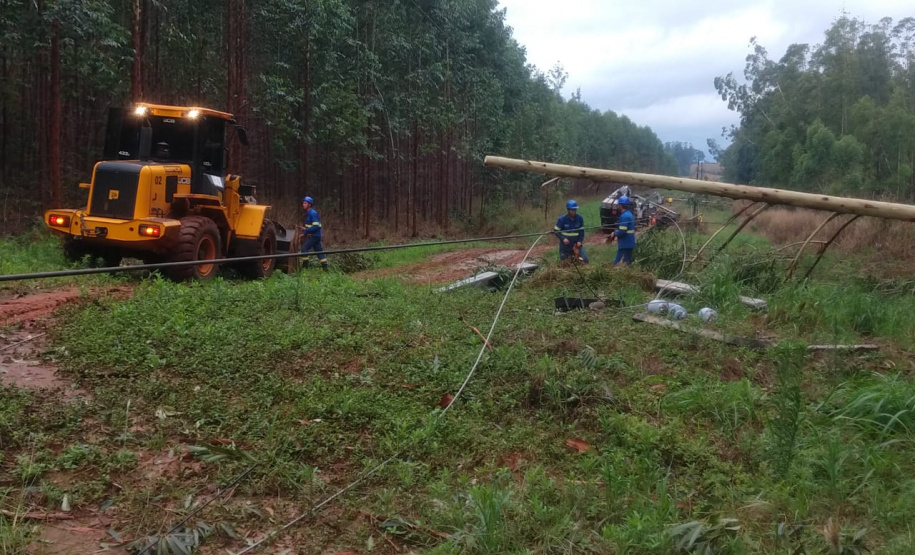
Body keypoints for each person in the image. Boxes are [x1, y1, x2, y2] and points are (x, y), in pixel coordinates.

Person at [554, 199, 589, 264]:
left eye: (575, 210)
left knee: (585, 260)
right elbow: (556, 231)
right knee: (565, 263)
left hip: (576, 245)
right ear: (568, 210)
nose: (574, 212)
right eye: (572, 210)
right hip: (565, 246)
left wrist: (579, 241)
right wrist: (563, 238)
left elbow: (581, 231)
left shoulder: (579, 219)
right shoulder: (562, 219)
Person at [299, 196, 328, 271]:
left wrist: (306, 231)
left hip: (314, 236)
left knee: (304, 249)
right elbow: (310, 227)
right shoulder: (308, 213)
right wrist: (305, 232)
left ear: (309, 204)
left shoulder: (313, 213)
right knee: (319, 251)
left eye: (305, 203)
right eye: (303, 203)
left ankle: (305, 267)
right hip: (314, 235)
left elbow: (317, 226)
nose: (303, 204)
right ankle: (325, 268)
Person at [610, 195, 636, 265]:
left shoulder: (625, 216)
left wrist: (614, 233)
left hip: (625, 243)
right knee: (627, 262)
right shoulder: (628, 214)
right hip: (628, 243)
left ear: (621, 205)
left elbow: (622, 231)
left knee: (617, 263)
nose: (618, 206)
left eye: (618, 204)